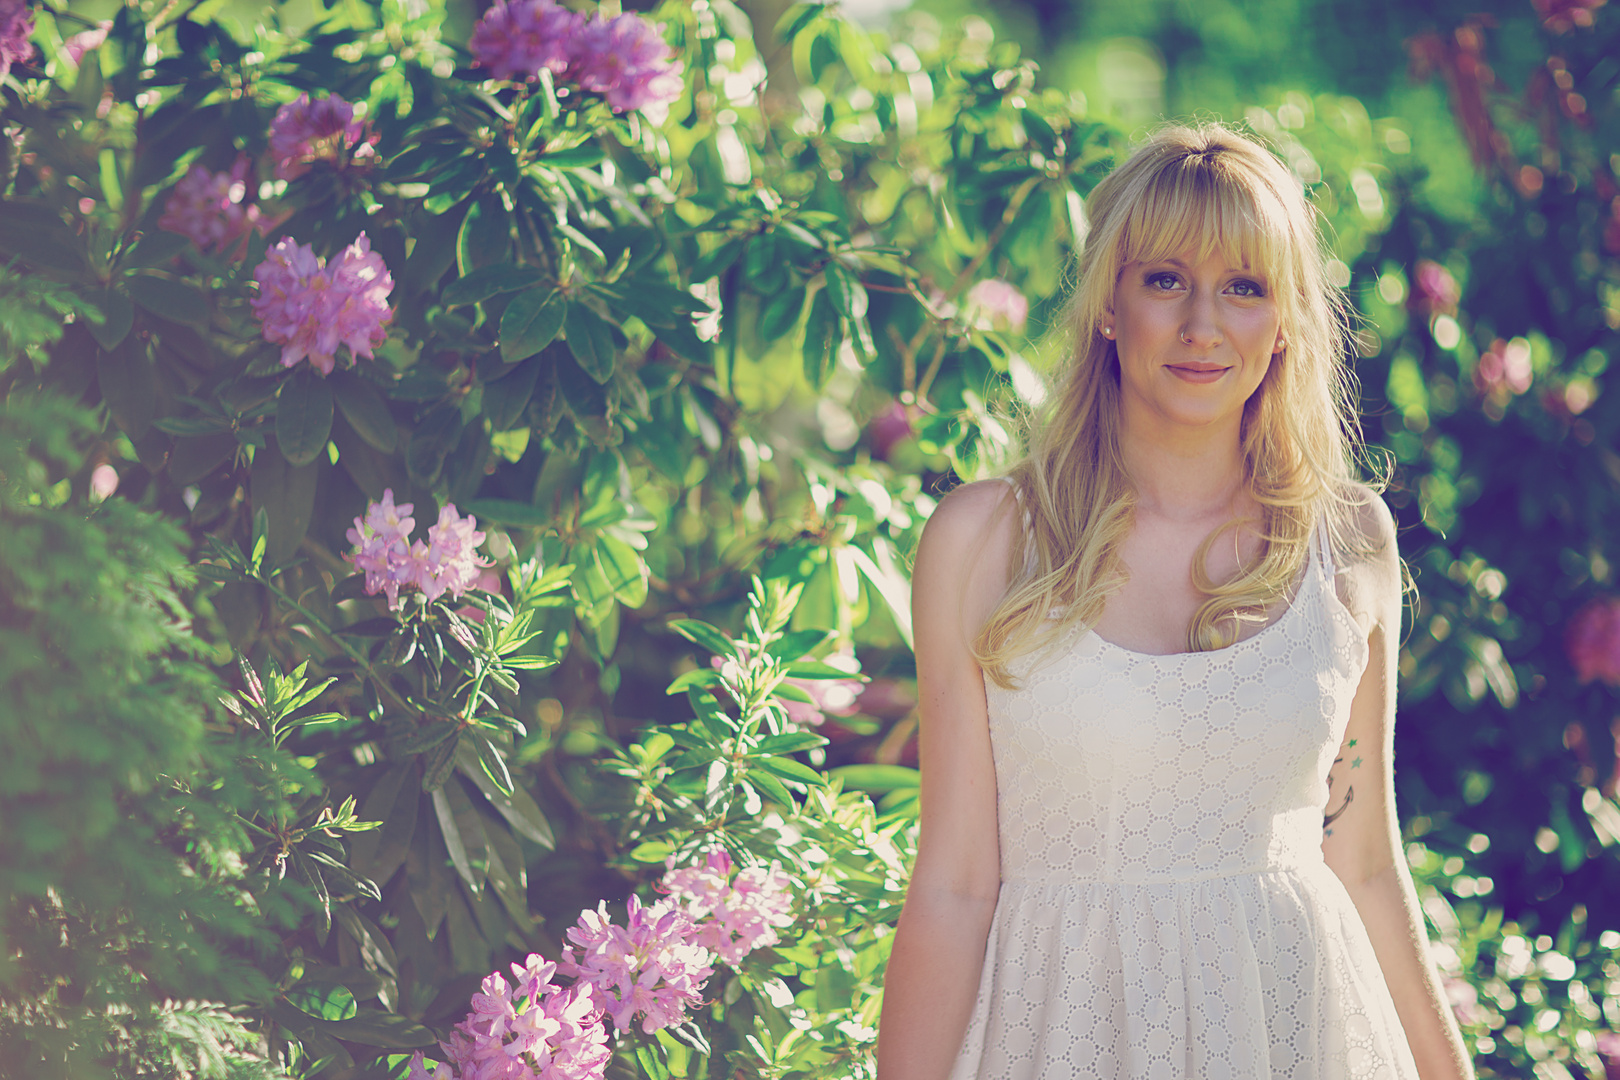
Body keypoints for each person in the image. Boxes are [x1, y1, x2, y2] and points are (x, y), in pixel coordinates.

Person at [876, 124, 1474, 1080]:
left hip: (1297, 1032)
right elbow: (953, 885)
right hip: (1060, 1033)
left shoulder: (1349, 540)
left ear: (1286, 320)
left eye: (1244, 287)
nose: (1204, 325)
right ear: (1109, 306)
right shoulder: (986, 541)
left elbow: (1362, 860)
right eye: (1164, 280)